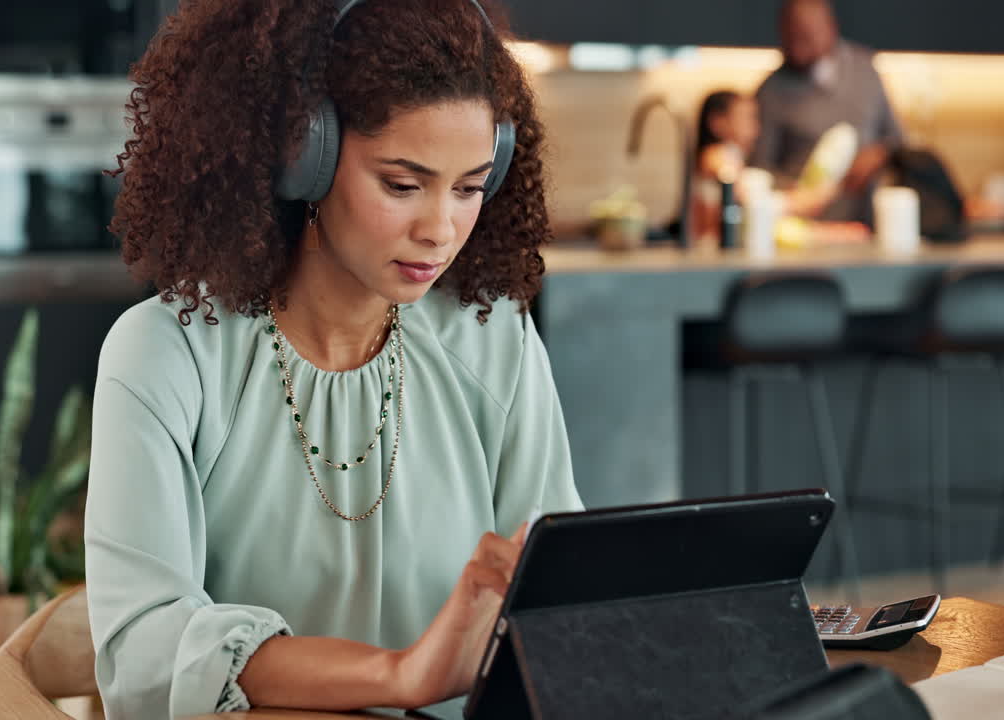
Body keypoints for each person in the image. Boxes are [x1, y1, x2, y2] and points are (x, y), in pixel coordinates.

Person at [84, 0, 583, 718]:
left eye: (470, 187)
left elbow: (558, 597)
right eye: (402, 185)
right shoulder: (168, 355)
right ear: (303, 159)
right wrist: (400, 676)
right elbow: (145, 651)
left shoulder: (492, 336)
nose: (440, 229)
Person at [749, 0, 904, 224]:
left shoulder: (865, 71)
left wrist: (877, 155)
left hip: (863, 224)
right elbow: (759, 170)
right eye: (789, 37)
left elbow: (896, 140)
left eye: (805, 36)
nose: (797, 47)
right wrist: (795, 194)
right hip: (803, 226)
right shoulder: (771, 92)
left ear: (830, 28)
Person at [690, 90, 837, 244]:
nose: (756, 128)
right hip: (710, 248)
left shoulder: (733, 157)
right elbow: (748, 200)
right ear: (718, 123)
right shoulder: (715, 156)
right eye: (747, 118)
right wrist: (799, 202)